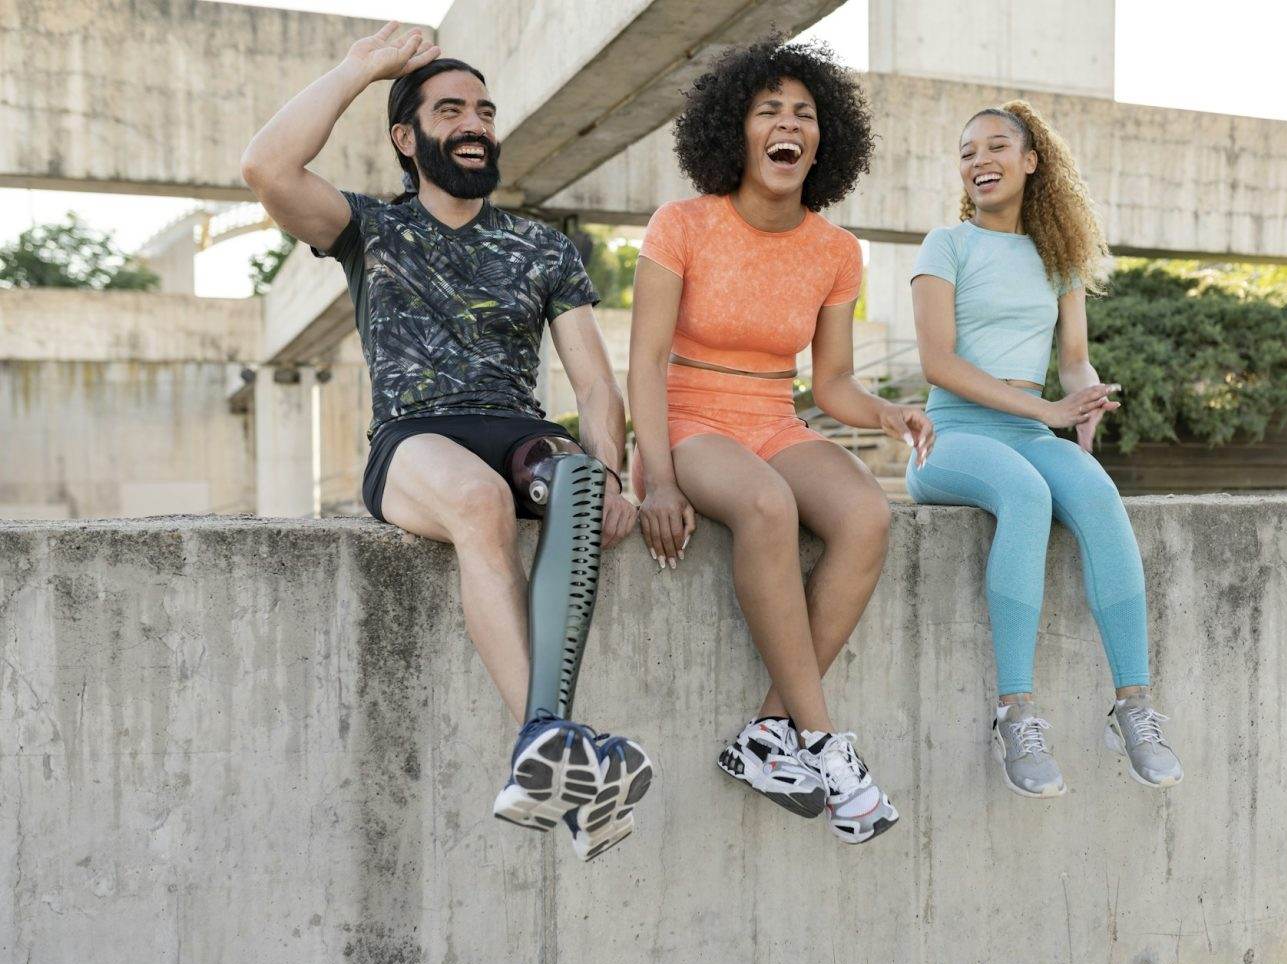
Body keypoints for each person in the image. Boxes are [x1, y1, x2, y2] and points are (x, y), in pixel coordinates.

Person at [240, 23, 650, 861]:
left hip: (524, 433)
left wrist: (611, 473)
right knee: (478, 501)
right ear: (407, 136)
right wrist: (358, 69)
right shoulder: (368, 231)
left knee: (574, 487)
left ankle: (559, 763)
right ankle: (554, 742)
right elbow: (266, 169)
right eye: (452, 108)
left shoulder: (542, 247)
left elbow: (596, 383)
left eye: (486, 111)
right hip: (415, 441)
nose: (475, 124)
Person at [627, 38, 933, 845]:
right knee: (767, 506)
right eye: (769, 111)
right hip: (688, 418)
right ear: (737, 130)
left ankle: (767, 735)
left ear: (823, 138)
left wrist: (886, 415)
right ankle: (826, 743)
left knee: (867, 515)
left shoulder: (836, 251)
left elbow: (830, 385)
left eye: (803, 113)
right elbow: (646, 361)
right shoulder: (681, 224)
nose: (787, 124)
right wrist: (657, 477)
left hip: (773, 417)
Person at [905, 100, 1183, 798]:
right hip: (951, 436)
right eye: (967, 151)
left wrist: (1084, 404)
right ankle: (1015, 714)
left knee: (1094, 491)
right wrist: (1046, 410)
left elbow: (1073, 361)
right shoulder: (947, 245)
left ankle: (1134, 706)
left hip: (1031, 432)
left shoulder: (1059, 260)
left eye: (997, 147)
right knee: (1026, 495)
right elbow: (937, 361)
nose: (979, 161)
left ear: (1032, 162)